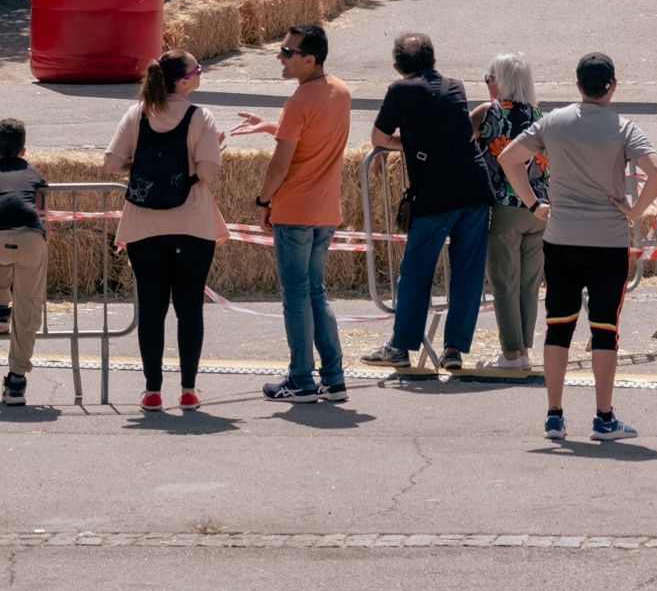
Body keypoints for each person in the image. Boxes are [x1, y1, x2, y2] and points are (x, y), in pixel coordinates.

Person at [501, 52, 657, 443]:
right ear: (613, 85)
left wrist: (533, 204)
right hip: (607, 239)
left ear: (577, 85)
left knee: (558, 325)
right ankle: (603, 416)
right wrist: (634, 210)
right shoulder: (623, 127)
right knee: (604, 328)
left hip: (561, 235)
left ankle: (554, 415)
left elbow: (509, 160)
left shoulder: (554, 121)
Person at [361, 34, 495, 377]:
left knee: (416, 272)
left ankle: (401, 346)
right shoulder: (455, 86)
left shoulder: (400, 90)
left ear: (397, 65)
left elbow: (378, 138)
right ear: (433, 59)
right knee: (467, 273)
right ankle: (454, 350)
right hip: (474, 186)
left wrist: (403, 146)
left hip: (436, 192)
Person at [232, 23, 351, 403]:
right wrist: (272, 126)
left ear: (309, 59)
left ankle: (300, 377)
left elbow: (280, 165)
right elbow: (310, 137)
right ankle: (333, 377)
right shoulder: (340, 91)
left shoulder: (298, 102)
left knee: (296, 295)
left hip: (295, 210)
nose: (279, 57)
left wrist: (263, 201)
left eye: (287, 52)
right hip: (324, 210)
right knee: (316, 291)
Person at [102, 52, 227, 411]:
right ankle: (188, 389)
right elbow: (208, 173)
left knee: (152, 309)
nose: (199, 75)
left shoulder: (137, 113)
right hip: (192, 223)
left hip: (143, 225)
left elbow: (111, 162)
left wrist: (140, 167)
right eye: (197, 70)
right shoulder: (200, 117)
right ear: (184, 81)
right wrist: (215, 149)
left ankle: (152, 390)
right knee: (189, 308)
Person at [471, 53, 548, 375]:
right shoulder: (540, 115)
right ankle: (525, 351)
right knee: (529, 284)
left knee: (504, 282)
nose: (487, 83)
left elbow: (457, 144)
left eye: (489, 77)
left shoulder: (488, 113)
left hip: (504, 205)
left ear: (498, 80)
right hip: (541, 208)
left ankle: (510, 352)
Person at [0, 118, 47, 408]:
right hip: (30, 235)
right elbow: (45, 219)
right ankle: (16, 381)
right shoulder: (34, 174)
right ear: (24, 150)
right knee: (29, 307)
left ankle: (1, 310)